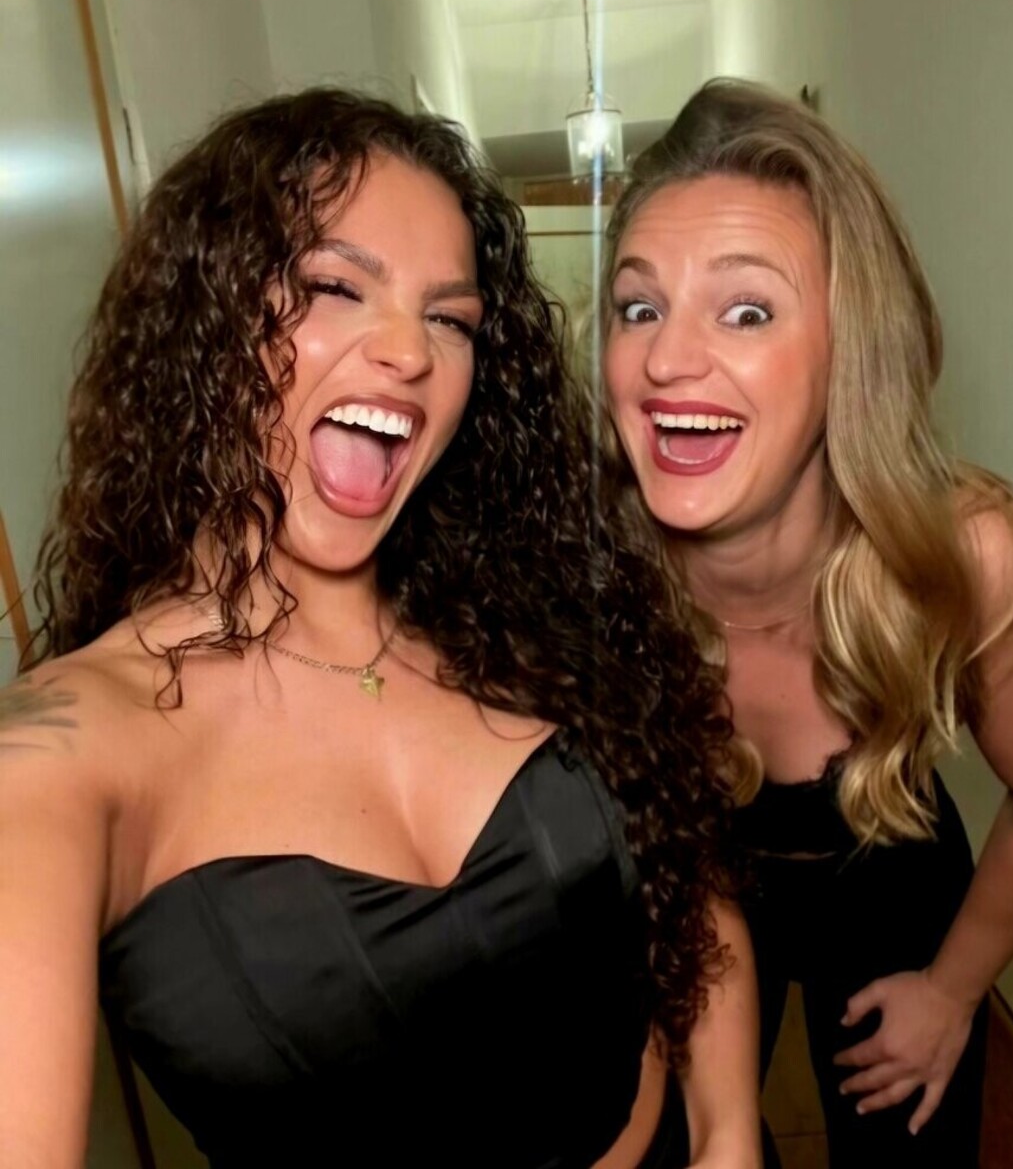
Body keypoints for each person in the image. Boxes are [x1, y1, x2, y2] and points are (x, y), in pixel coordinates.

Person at [0, 90, 763, 1168]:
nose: (409, 349)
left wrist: (727, 1131)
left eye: (450, 319)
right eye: (334, 285)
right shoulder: (59, 755)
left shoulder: (532, 612)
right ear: (204, 317)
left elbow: (683, 877)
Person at [602, 78, 1013, 1168]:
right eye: (639, 307)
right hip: (693, 883)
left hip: (893, 877)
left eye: (747, 310)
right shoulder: (593, 569)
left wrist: (953, 991)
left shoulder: (971, 559)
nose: (667, 360)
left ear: (849, 350)